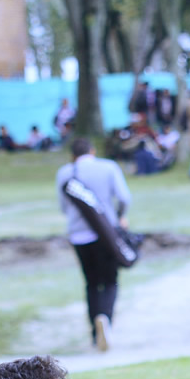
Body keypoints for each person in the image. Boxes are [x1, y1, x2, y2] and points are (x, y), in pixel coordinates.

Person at [57, 137, 131, 351]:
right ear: (93, 151)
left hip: (78, 236)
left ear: (73, 156)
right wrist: (119, 216)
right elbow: (125, 197)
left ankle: (94, 333)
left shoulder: (64, 173)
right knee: (110, 281)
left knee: (91, 283)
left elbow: (63, 207)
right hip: (105, 234)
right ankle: (105, 319)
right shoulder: (108, 167)